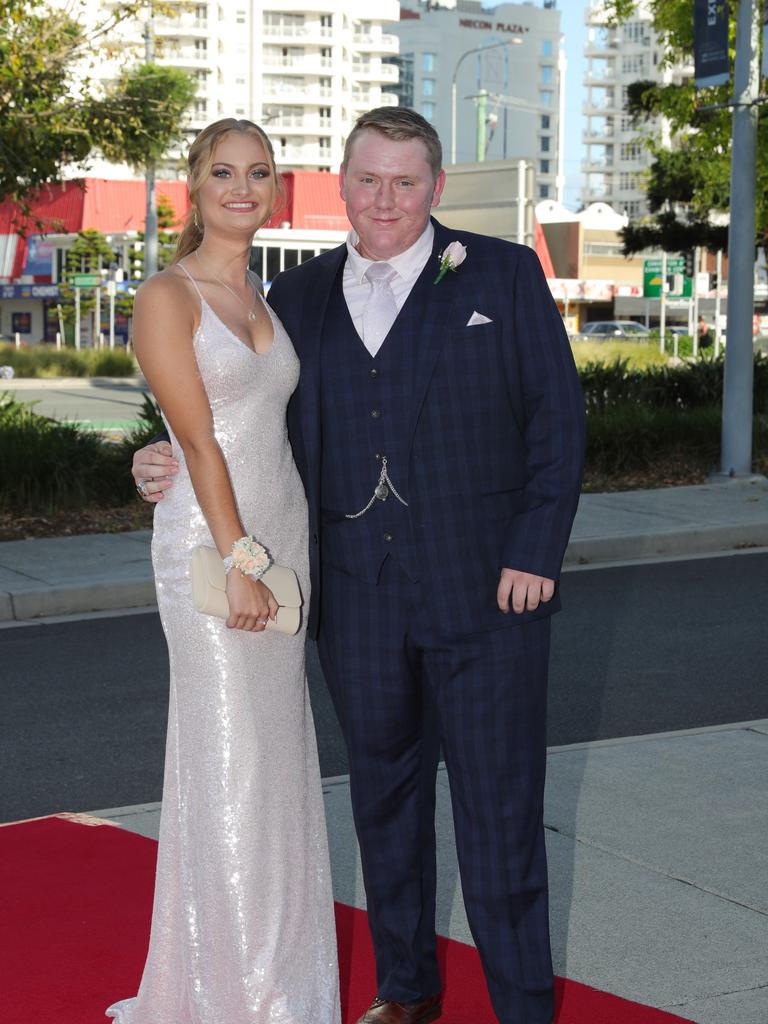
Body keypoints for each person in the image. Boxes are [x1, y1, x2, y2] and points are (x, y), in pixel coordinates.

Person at [134, 108, 586, 1024]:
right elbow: (230, 411)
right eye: (368, 179)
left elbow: (558, 420)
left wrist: (536, 550)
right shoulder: (294, 295)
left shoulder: (500, 273)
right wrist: (153, 456)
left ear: (436, 187)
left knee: (500, 818)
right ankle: (408, 989)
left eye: (405, 181)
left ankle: (523, 1010)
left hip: (488, 591)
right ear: (340, 184)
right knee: (385, 804)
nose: (386, 198)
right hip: (353, 596)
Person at [107, 119, 340, 1023]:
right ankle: (238, 1000)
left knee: (276, 764)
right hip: (215, 552)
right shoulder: (169, 295)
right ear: (193, 187)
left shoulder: (270, 300)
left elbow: (267, 431)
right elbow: (198, 443)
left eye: (259, 173)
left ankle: (279, 981)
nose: (242, 187)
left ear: (274, 188)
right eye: (222, 173)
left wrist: (274, 555)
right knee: (230, 760)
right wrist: (243, 561)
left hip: (283, 544)